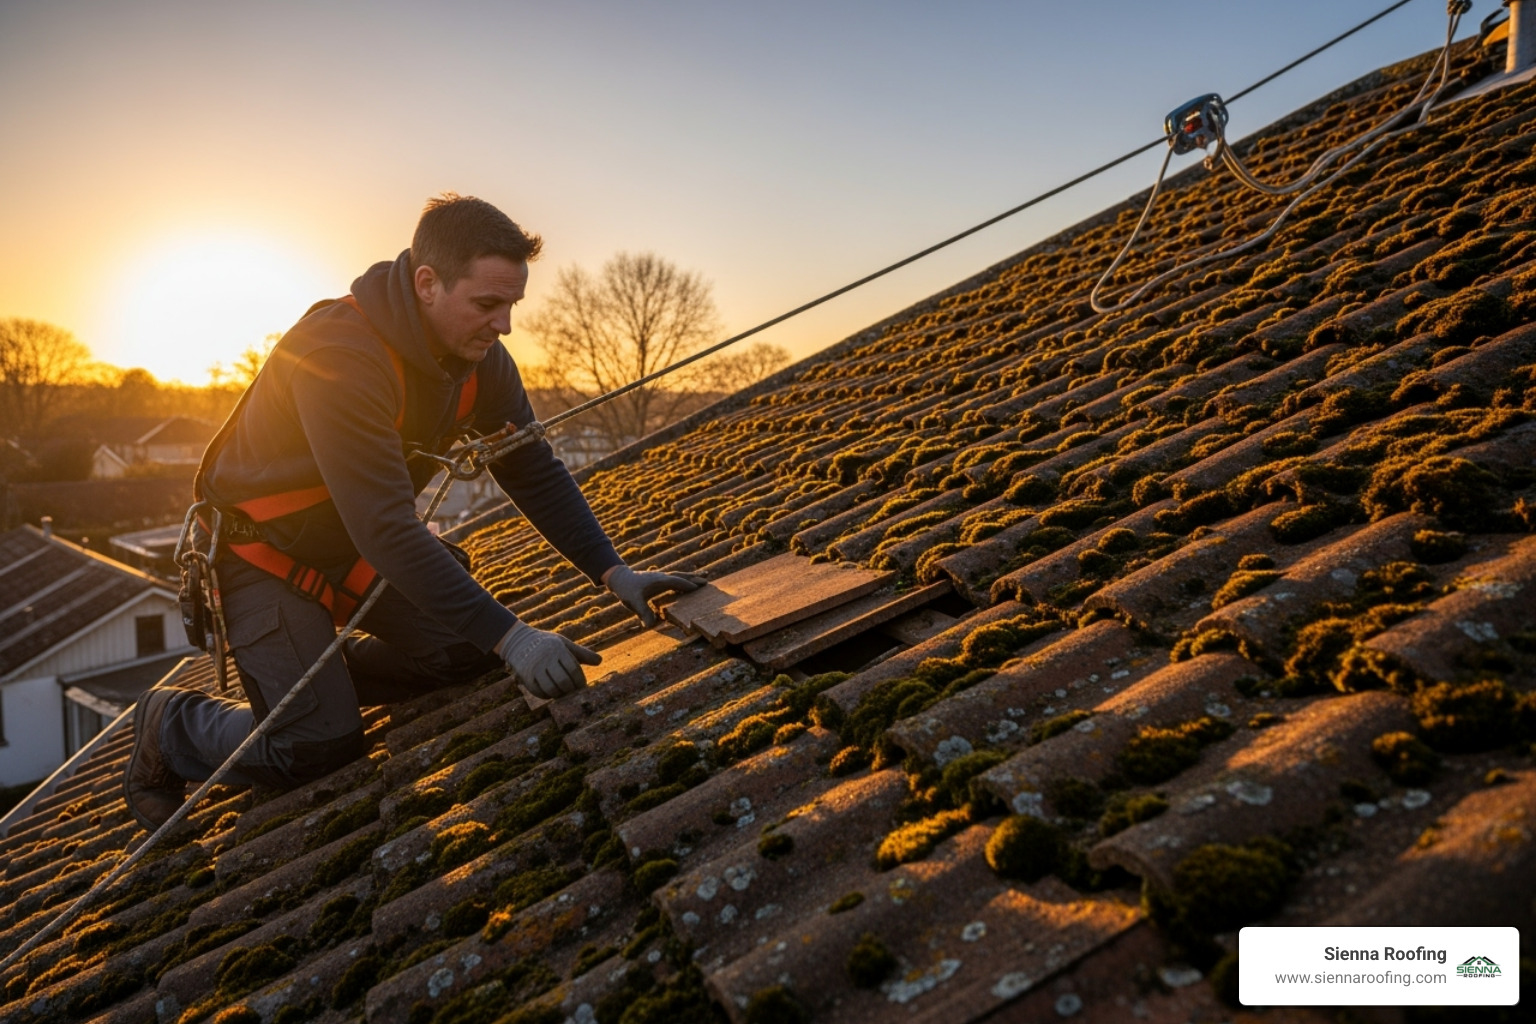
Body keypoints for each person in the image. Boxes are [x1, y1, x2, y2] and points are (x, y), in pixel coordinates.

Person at [124, 194, 701, 830]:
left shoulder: (481, 364)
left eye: (513, 305)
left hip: (350, 547)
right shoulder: (339, 356)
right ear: (427, 283)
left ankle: (317, 678)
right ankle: (171, 724)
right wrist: (516, 637)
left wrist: (613, 572)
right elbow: (386, 528)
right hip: (261, 554)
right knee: (317, 745)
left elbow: (532, 467)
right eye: (487, 304)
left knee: (466, 652)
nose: (504, 325)